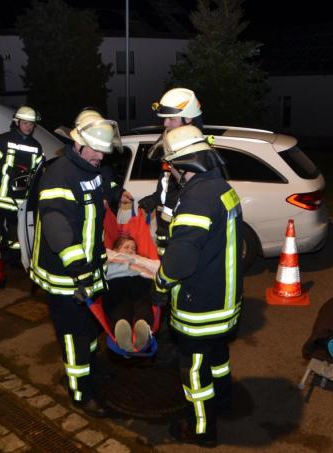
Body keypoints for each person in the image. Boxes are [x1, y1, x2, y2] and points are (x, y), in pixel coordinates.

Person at [28, 109, 122, 418]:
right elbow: (59, 232)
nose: (100, 155)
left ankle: (91, 373)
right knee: (74, 335)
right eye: (95, 149)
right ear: (78, 143)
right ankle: (80, 393)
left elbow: (95, 213)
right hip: (66, 275)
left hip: (89, 269)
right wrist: (80, 270)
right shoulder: (59, 176)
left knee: (91, 328)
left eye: (103, 151)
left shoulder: (91, 170)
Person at [153, 125, 241, 447]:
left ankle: (202, 429)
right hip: (226, 299)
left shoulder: (196, 200)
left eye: (171, 166)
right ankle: (225, 402)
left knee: (194, 370)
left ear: (184, 165)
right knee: (218, 356)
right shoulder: (221, 187)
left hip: (200, 304)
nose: (171, 173)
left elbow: (180, 262)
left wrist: (160, 284)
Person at [138, 87, 203, 256]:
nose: (165, 124)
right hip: (165, 226)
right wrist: (155, 198)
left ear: (188, 118)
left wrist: (174, 226)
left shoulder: (193, 153)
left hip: (179, 228)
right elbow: (170, 184)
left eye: (171, 119)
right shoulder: (174, 145)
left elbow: (190, 192)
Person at [0, 106, 44, 265]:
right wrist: (8, 169)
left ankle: (15, 262)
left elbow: (38, 173)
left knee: (16, 234)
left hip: (18, 201)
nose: (28, 127)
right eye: (25, 123)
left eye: (31, 124)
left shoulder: (36, 146)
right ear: (17, 122)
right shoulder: (3, 140)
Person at [104, 235, 159, 351]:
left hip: (139, 282)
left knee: (143, 303)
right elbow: (106, 270)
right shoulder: (109, 256)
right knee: (120, 305)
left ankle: (143, 326)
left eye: (133, 249)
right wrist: (129, 264)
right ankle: (121, 328)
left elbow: (157, 266)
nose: (130, 251)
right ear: (116, 250)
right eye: (126, 247)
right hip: (118, 283)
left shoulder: (140, 259)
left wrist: (137, 262)